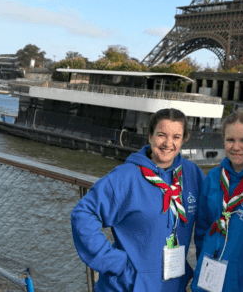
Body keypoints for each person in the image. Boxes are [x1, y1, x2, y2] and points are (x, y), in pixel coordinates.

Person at [71, 108, 204, 292]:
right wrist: (117, 264)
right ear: (150, 137)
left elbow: (211, 217)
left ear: (184, 139)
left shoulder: (192, 174)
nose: (168, 143)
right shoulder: (126, 177)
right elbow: (83, 215)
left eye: (176, 137)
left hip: (172, 285)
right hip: (127, 286)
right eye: (161, 135)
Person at [191, 110, 243, 292]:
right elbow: (202, 229)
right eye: (230, 140)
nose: (236, 147)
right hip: (207, 278)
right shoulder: (214, 177)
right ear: (223, 140)